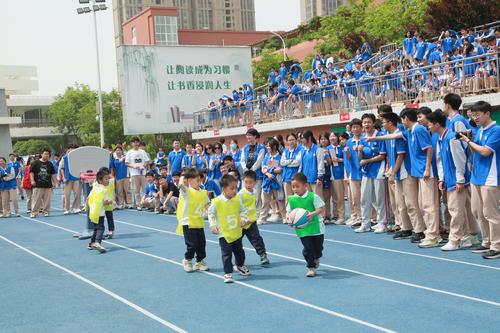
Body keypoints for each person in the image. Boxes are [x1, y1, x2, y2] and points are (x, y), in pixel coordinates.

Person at [427, 111, 473, 251]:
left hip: (456, 180)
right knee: (457, 210)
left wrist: (460, 180)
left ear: (436, 124)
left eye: (429, 123)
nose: (428, 126)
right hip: (449, 179)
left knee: (455, 210)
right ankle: (465, 238)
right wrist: (442, 179)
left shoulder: (452, 138)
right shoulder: (441, 138)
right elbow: (440, 161)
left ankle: (454, 240)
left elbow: (460, 160)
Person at [459, 101, 500, 259]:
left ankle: (496, 246)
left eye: (477, 114)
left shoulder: (496, 130)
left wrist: (468, 141)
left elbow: (484, 152)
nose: (474, 117)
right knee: (477, 212)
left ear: (487, 113)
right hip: (477, 176)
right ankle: (487, 242)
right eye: (472, 114)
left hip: (490, 177)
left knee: (491, 213)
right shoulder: (480, 130)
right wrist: (470, 140)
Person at [379, 112, 416, 240]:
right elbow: (391, 156)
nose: (382, 124)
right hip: (397, 173)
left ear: (390, 123)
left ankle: (418, 229)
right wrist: (390, 170)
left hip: (405, 172)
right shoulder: (389, 136)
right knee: (400, 203)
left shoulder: (399, 134)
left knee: (411, 202)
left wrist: (393, 172)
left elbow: (401, 155)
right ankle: (406, 228)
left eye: (384, 122)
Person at [208, 174, 250, 283]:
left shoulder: (237, 199)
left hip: (236, 232)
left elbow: (242, 211)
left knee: (240, 252)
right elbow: (211, 214)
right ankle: (228, 273)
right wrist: (212, 225)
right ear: (223, 189)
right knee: (226, 254)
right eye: (232, 188)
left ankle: (240, 265)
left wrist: (243, 219)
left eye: (236, 188)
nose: (235, 191)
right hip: (224, 233)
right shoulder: (216, 201)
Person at [286, 173, 325, 277]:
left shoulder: (313, 196)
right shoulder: (292, 199)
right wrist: (289, 219)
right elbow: (288, 212)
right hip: (302, 229)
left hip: (316, 227)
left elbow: (321, 208)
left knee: (318, 248)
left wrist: (312, 214)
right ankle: (311, 267)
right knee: (308, 248)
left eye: (297, 186)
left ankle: (317, 256)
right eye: (293, 186)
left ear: (305, 186)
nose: (294, 189)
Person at [356, 113, 388, 233]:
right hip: (366, 171)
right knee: (365, 198)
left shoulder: (380, 136)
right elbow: (361, 158)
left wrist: (368, 160)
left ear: (373, 123)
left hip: (378, 170)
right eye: (364, 122)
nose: (366, 124)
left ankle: (382, 223)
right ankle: (366, 223)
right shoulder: (363, 138)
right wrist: (359, 151)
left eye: (369, 122)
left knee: (379, 198)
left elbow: (382, 155)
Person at [175, 168, 210, 272]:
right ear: (189, 181)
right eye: (197, 180)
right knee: (192, 244)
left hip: (199, 222)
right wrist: (183, 176)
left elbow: (207, 205)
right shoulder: (187, 192)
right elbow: (181, 185)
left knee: (201, 243)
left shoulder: (203, 192)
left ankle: (200, 261)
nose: (199, 183)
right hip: (188, 222)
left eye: (200, 180)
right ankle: (187, 260)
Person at [239, 170, 270, 265]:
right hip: (241, 222)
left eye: (250, 182)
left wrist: (254, 217)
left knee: (256, 239)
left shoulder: (255, 192)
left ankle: (263, 255)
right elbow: (237, 207)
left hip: (251, 221)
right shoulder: (240, 194)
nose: (248, 185)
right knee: (236, 242)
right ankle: (238, 259)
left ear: (255, 182)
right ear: (243, 181)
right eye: (246, 182)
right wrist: (242, 219)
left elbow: (255, 205)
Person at [260, 138, 286, 224]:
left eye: (268, 146)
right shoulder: (267, 156)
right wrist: (268, 174)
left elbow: (280, 169)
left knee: (280, 200)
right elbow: (263, 169)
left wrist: (271, 171)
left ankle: (284, 217)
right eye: (266, 146)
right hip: (267, 181)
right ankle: (262, 218)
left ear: (274, 147)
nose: (267, 148)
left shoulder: (280, 156)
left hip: (277, 182)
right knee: (265, 201)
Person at [240, 129, 266, 216]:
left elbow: (259, 162)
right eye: (247, 135)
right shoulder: (245, 147)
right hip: (246, 175)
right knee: (245, 194)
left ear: (255, 136)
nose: (248, 137)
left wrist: (251, 170)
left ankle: (257, 213)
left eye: (250, 135)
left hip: (257, 176)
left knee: (257, 195)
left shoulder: (261, 148)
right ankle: (244, 213)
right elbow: (242, 160)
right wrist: (245, 169)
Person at [86, 169, 111, 253]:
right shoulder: (104, 190)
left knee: (96, 228)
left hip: (92, 212)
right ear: (100, 180)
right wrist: (110, 202)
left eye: (108, 178)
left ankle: (91, 243)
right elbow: (105, 202)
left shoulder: (94, 188)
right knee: (101, 228)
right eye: (106, 179)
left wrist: (87, 208)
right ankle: (97, 242)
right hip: (99, 212)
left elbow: (88, 198)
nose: (108, 180)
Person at [345, 119, 364, 226]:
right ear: (351, 129)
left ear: (361, 128)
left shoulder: (364, 139)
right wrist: (347, 152)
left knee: (366, 197)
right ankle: (359, 217)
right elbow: (348, 158)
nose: (356, 129)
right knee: (355, 198)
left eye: (357, 127)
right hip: (353, 173)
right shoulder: (349, 142)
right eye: (354, 127)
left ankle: (372, 218)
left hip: (364, 172)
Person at [30, 148, 57, 218]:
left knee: (47, 200)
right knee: (36, 199)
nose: (47, 155)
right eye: (45, 154)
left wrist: (54, 182)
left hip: (48, 185)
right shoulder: (35, 163)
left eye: (48, 154)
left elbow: (53, 174)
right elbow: (31, 172)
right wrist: (32, 180)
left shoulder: (50, 164)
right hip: (38, 184)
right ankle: (34, 212)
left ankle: (46, 211)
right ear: (41, 154)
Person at [125, 137, 149, 210]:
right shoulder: (129, 152)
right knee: (136, 190)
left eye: (137, 142)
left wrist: (143, 166)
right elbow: (127, 163)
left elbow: (147, 161)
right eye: (134, 142)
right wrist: (134, 166)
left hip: (143, 173)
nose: (135, 143)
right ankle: (139, 205)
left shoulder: (142, 151)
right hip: (134, 174)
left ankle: (146, 204)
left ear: (139, 143)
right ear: (132, 143)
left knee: (145, 189)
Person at [299, 130, 325, 197]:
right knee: (308, 201)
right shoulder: (302, 150)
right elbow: (301, 165)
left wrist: (319, 177)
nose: (301, 140)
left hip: (315, 180)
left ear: (309, 138)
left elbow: (320, 164)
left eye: (303, 138)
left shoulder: (318, 149)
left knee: (318, 201)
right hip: (305, 181)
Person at [328, 132, 346, 225]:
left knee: (349, 197)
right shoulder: (328, 148)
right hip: (335, 175)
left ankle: (354, 216)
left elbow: (347, 159)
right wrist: (329, 159)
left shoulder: (342, 147)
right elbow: (329, 162)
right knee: (338, 197)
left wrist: (339, 160)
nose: (332, 138)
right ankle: (341, 216)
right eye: (330, 136)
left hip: (345, 174)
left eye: (334, 136)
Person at [281, 133, 302, 207]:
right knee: (288, 198)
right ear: (287, 141)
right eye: (289, 140)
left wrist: (287, 162)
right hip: (286, 178)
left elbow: (297, 162)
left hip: (297, 178)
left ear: (296, 140)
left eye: (293, 139)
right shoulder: (285, 151)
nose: (291, 142)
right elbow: (282, 163)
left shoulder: (300, 150)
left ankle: (299, 215)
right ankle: (289, 215)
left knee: (298, 197)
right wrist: (291, 160)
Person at [59, 145, 81, 215]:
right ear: (68, 150)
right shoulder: (65, 158)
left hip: (76, 177)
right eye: (71, 149)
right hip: (68, 178)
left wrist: (81, 177)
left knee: (76, 193)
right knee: (67, 194)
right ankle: (67, 208)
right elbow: (62, 168)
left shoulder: (78, 158)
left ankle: (75, 207)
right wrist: (63, 177)